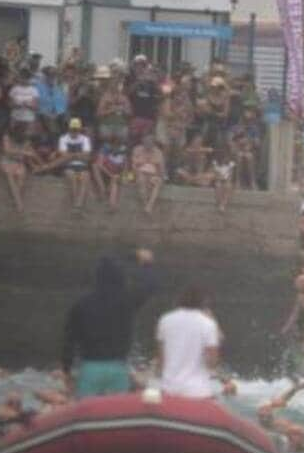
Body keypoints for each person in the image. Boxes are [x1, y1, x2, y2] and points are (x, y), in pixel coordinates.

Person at [62, 249, 157, 397]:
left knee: (88, 413)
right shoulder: (127, 301)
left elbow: (68, 341)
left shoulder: (81, 305)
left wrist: (66, 370)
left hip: (90, 368)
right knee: (117, 414)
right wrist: (146, 264)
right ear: (121, 277)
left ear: (96, 277)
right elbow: (149, 286)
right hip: (118, 368)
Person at [156, 286, 222, 399]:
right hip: (198, 392)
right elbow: (212, 363)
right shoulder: (208, 324)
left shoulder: (165, 320)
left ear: (179, 301)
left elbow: (161, 360)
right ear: (203, 303)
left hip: (169, 388)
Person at [57, 117, 93, 214]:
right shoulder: (63, 138)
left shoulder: (85, 139)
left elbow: (87, 157)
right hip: (68, 165)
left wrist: (71, 155)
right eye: (73, 129)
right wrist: (78, 155)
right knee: (72, 177)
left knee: (84, 178)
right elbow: (63, 156)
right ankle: (75, 204)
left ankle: (78, 206)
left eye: (76, 129)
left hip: (82, 165)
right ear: (69, 129)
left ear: (80, 129)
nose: (74, 131)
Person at [131, 133, 165, 215]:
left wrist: (158, 175)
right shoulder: (137, 149)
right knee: (141, 181)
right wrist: (140, 167)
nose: (148, 144)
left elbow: (161, 168)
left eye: (150, 142)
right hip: (140, 173)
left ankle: (150, 205)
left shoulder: (158, 152)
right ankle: (146, 205)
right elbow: (133, 164)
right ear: (143, 142)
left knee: (157, 182)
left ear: (153, 143)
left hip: (154, 174)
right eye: (146, 142)